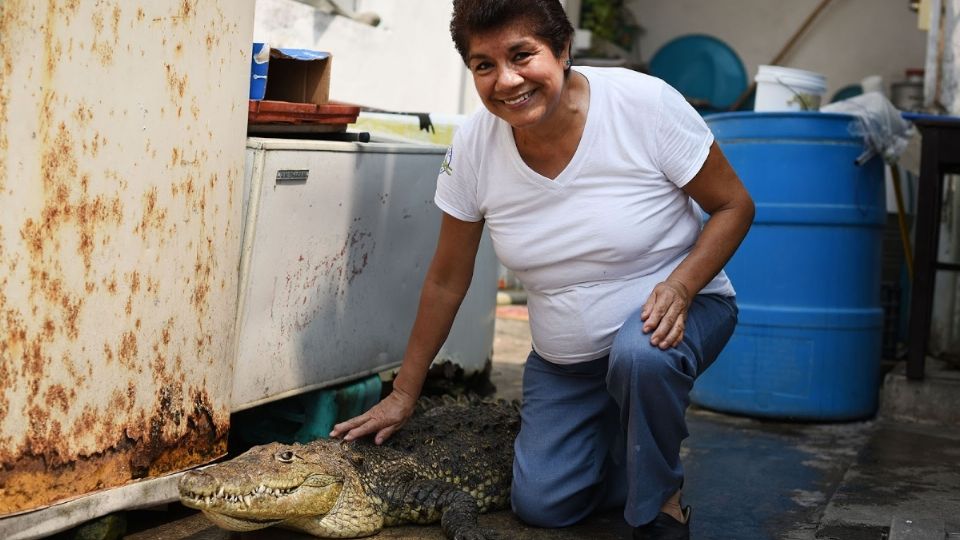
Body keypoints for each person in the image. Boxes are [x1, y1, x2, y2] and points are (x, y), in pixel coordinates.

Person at [330, 1, 755, 538]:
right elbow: (446, 279)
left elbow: (735, 205)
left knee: (640, 357)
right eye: (484, 65)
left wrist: (682, 284)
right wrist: (404, 393)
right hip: (566, 359)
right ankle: (628, 443)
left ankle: (661, 502)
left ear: (563, 50)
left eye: (521, 55)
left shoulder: (642, 105)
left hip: (674, 318)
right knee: (542, 505)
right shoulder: (475, 148)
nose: (506, 80)